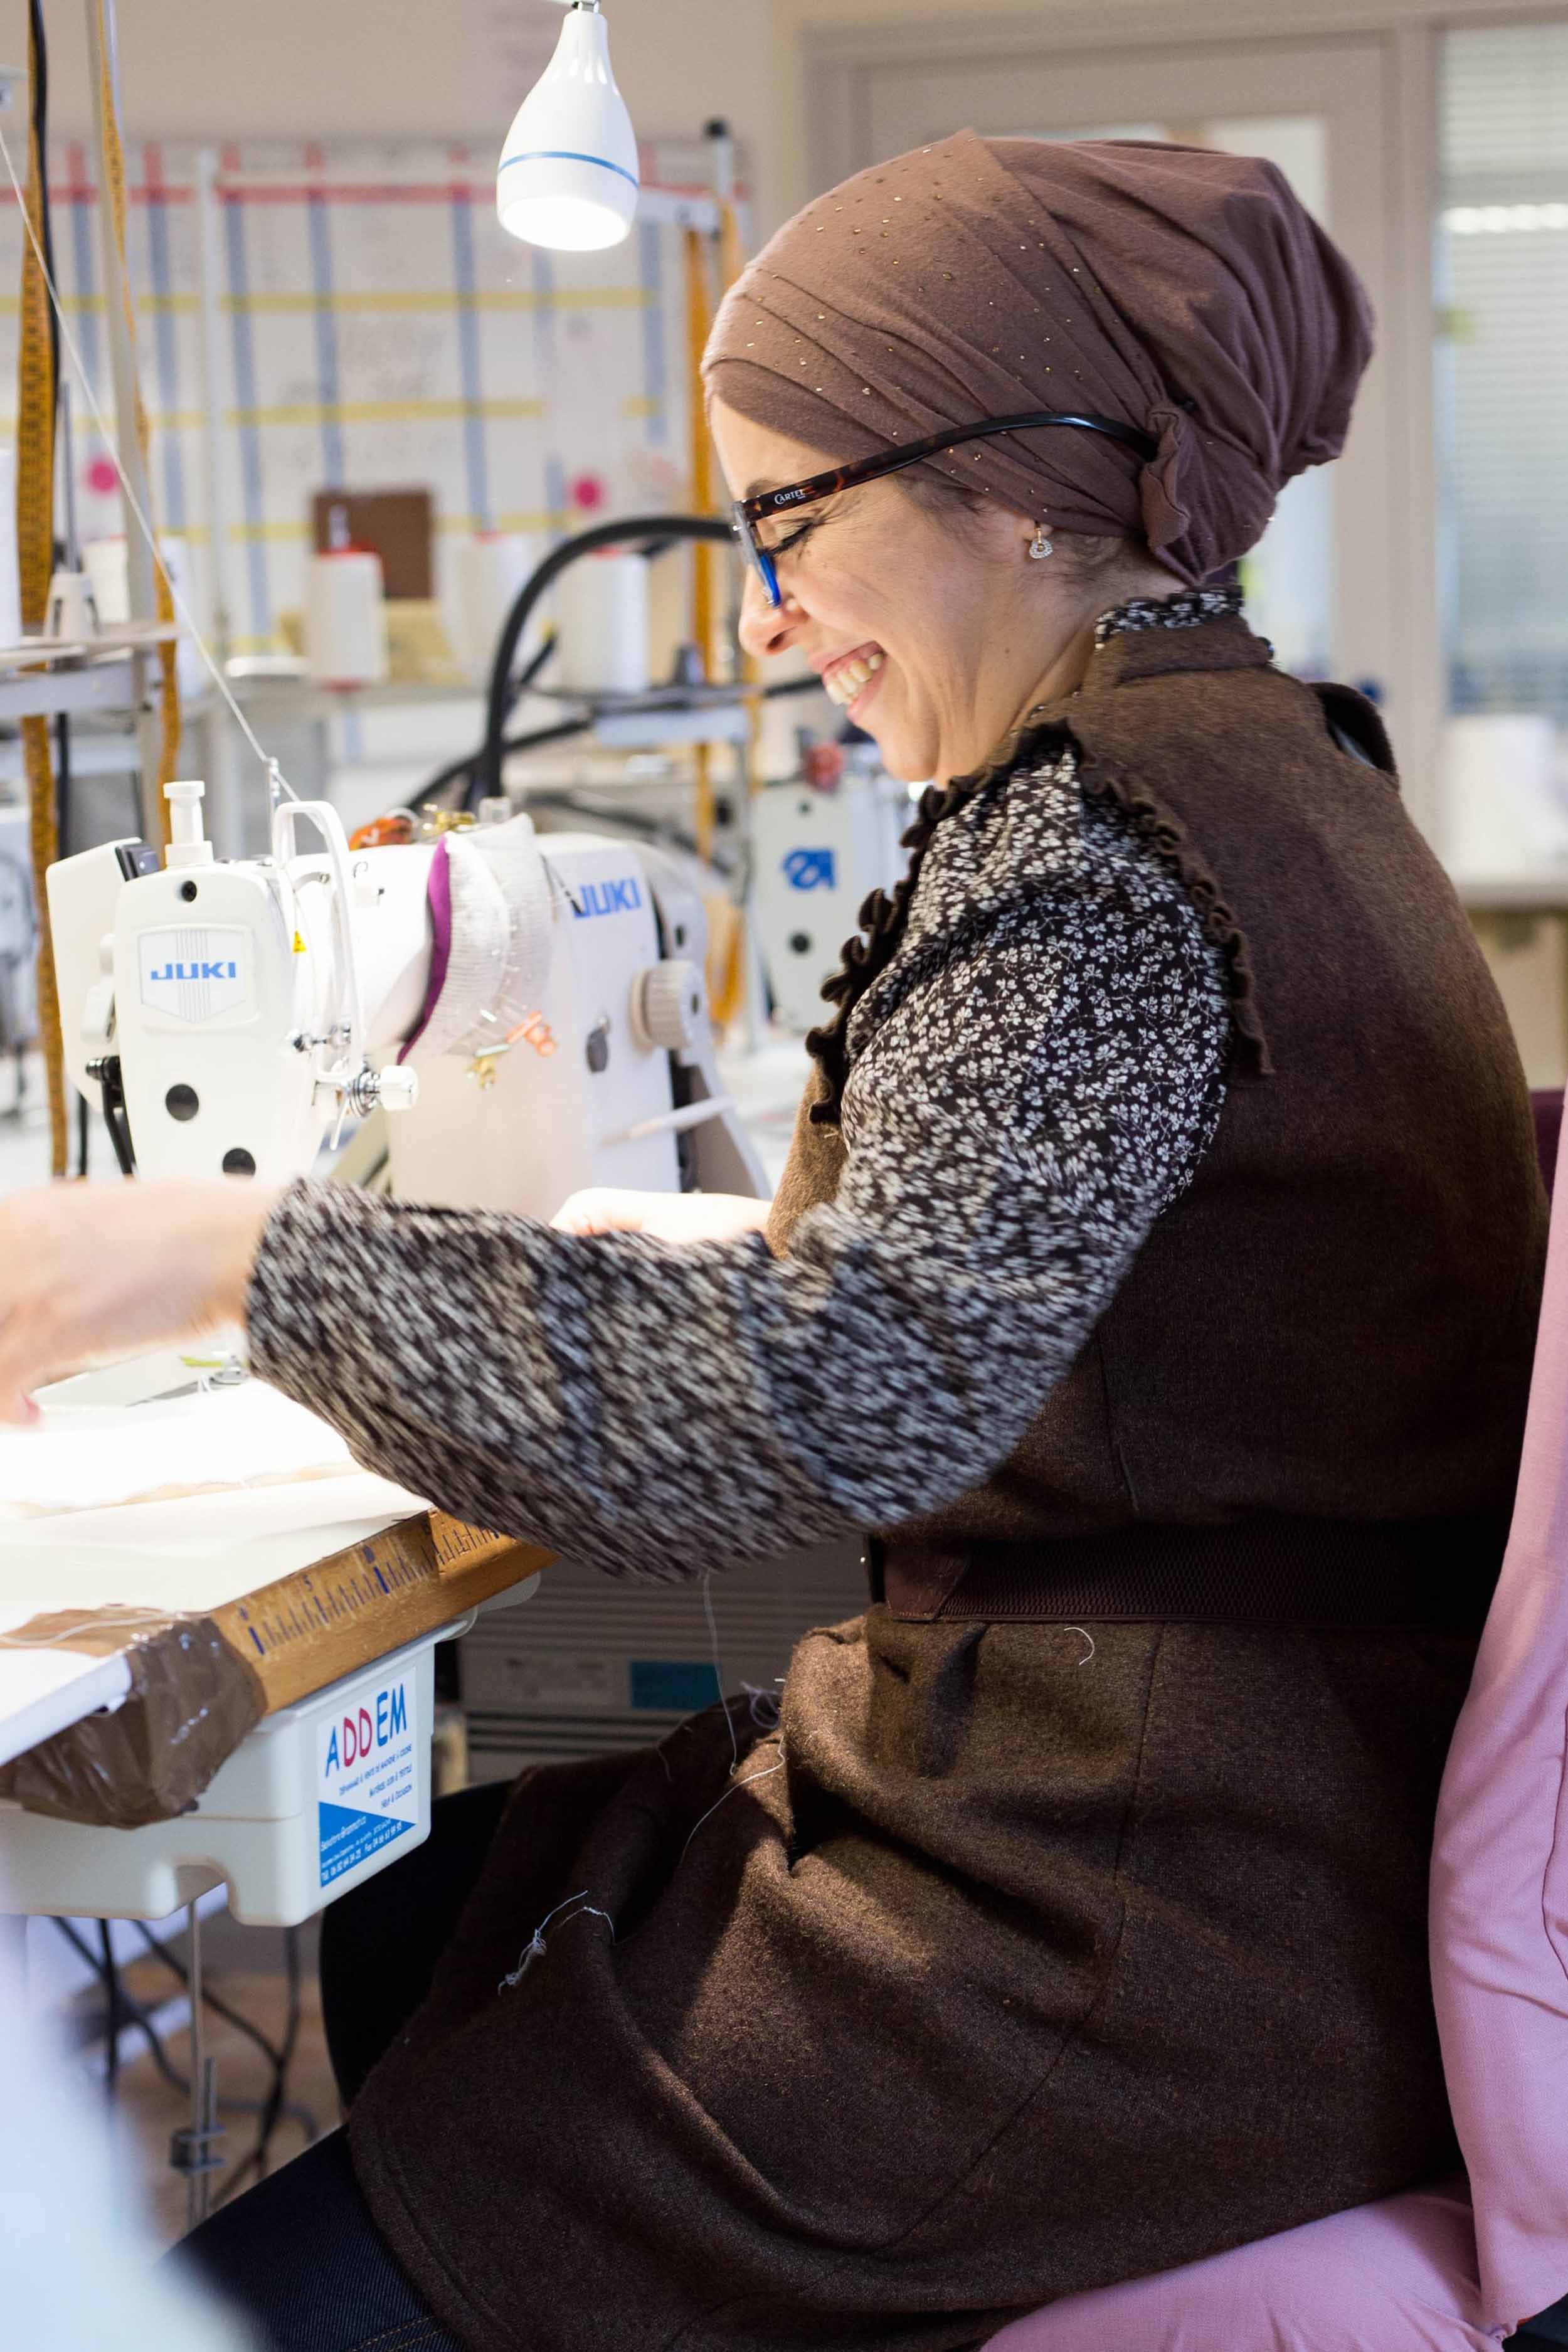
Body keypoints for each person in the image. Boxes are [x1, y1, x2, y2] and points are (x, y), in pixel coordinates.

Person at [0, 132, 1545, 2352]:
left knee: (252, 2284)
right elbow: (1015, 1306)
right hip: (1210, 1824)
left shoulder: (1099, 864)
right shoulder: (1275, 762)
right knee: (442, 1888)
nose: (764, 615)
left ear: (1019, 489)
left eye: (790, 526)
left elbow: (840, 1400)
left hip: (1109, 1931)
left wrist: (220, 1253)